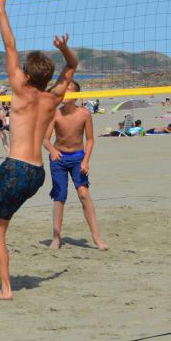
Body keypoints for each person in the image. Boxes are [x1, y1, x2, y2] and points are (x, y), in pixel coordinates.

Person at [0, 0, 78, 300]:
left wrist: (1, 9)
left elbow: (9, 44)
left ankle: (5, 289)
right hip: (36, 172)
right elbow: (72, 67)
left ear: (26, 75)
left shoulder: (20, 91)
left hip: (15, 168)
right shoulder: (52, 98)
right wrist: (65, 49)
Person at [43, 80, 107, 250]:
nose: (64, 93)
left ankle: (96, 237)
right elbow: (45, 139)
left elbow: (91, 140)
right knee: (60, 197)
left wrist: (86, 160)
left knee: (84, 193)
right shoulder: (55, 114)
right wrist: (51, 150)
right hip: (59, 158)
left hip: (78, 157)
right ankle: (56, 238)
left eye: (68, 90)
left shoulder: (84, 114)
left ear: (76, 95)